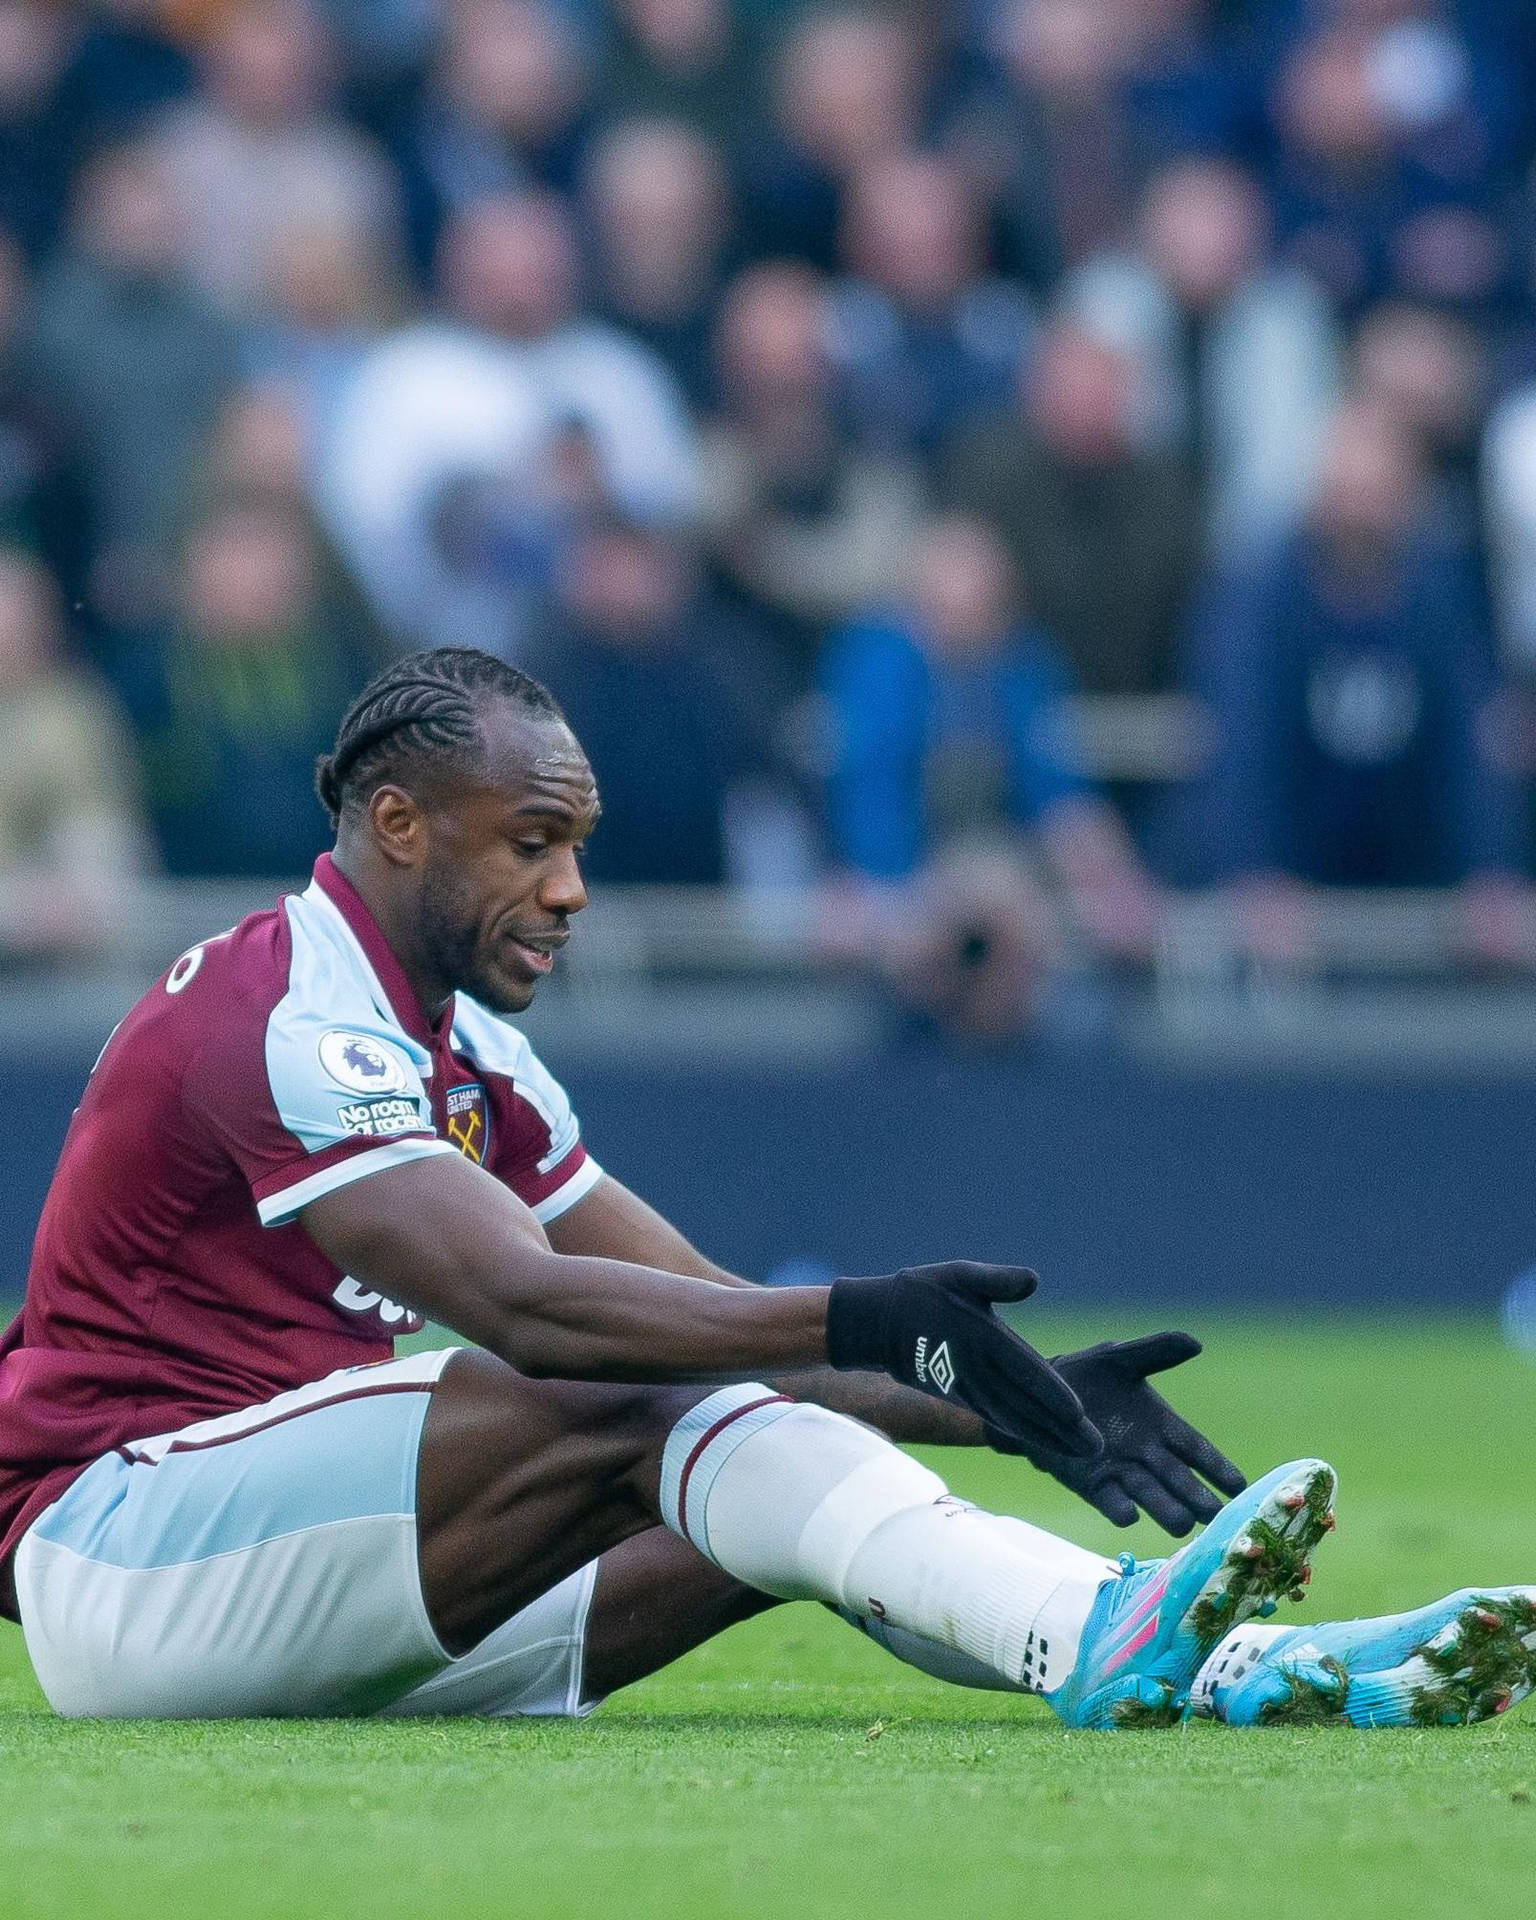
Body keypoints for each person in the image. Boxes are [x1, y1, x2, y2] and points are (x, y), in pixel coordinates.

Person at [1, 646, 1530, 1733]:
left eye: (578, 847)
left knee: (748, 1465)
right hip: (125, 1562)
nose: (573, 889)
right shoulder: (292, 1015)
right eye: (533, 843)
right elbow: (536, 1312)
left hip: (286, 1577)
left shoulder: (466, 1054)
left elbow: (721, 1328)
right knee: (621, 1392)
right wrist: (879, 1317)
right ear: (398, 825)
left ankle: (1229, 1661)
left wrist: (995, 1395)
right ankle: (1114, 1635)